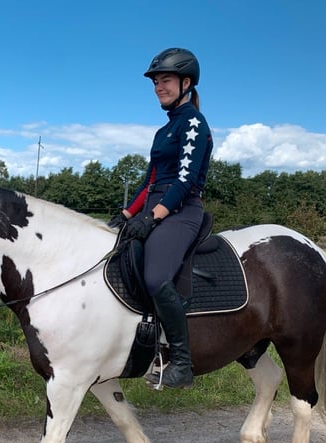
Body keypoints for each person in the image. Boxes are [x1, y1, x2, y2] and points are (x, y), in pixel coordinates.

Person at [109, 47, 213, 389]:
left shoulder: (195, 125)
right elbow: (150, 181)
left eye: (165, 80)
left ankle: (182, 363)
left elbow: (183, 181)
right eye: (155, 82)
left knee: (155, 278)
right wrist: (126, 213)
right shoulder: (162, 132)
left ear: (185, 83)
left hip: (181, 211)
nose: (158, 87)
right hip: (156, 206)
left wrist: (153, 218)